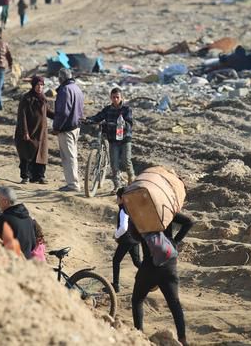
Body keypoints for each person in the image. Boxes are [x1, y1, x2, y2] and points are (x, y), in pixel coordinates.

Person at [131, 211, 194, 346]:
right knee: (174, 303)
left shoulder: (139, 213)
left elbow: (134, 237)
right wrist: (173, 242)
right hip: (168, 265)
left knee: (137, 300)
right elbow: (189, 222)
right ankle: (182, 339)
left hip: (148, 266)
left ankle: (139, 336)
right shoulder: (164, 209)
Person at [86, 87, 134, 187]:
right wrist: (89, 120)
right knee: (114, 164)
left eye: (117, 97)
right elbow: (98, 117)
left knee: (126, 161)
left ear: (121, 98)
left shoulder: (126, 109)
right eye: (113, 97)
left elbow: (129, 123)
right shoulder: (107, 110)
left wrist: (122, 124)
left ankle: (131, 176)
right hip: (113, 140)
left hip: (125, 139)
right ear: (110, 98)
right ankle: (117, 186)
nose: (115, 99)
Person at [15, 75, 54, 184]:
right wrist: (25, 132)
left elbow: (48, 112)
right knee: (27, 154)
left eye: (41, 85)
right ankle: (25, 176)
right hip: (29, 131)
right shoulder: (26, 98)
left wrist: (59, 116)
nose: (39, 87)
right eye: (37, 85)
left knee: (41, 154)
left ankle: (40, 176)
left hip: (41, 132)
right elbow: (22, 117)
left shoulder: (43, 98)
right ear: (33, 85)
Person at [53, 67, 84, 192]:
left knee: (69, 157)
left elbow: (63, 112)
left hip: (67, 128)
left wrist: (56, 127)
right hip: (76, 127)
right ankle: (73, 182)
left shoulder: (65, 90)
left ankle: (73, 184)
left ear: (61, 78)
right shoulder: (77, 88)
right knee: (72, 155)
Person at [0, 187, 37, 259]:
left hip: (12, 263)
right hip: (26, 262)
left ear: (5, 202)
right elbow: (33, 244)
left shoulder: (4, 219)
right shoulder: (28, 218)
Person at [112, 187, 141, 293]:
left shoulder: (123, 209)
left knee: (116, 261)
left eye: (117, 197)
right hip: (135, 239)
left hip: (126, 240)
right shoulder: (132, 207)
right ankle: (154, 278)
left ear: (122, 198)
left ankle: (115, 285)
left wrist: (116, 235)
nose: (116, 199)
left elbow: (123, 227)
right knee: (137, 262)